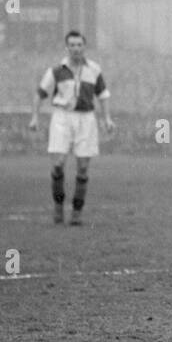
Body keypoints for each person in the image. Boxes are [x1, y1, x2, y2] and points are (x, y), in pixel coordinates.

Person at [29, 30, 114, 226]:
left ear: (84, 47)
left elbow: (103, 95)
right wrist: (34, 117)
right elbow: (39, 94)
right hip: (62, 117)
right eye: (72, 45)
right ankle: (58, 208)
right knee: (58, 163)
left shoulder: (94, 69)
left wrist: (107, 118)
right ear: (67, 47)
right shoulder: (56, 71)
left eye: (79, 45)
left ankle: (77, 212)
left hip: (86, 118)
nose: (76, 48)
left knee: (83, 167)